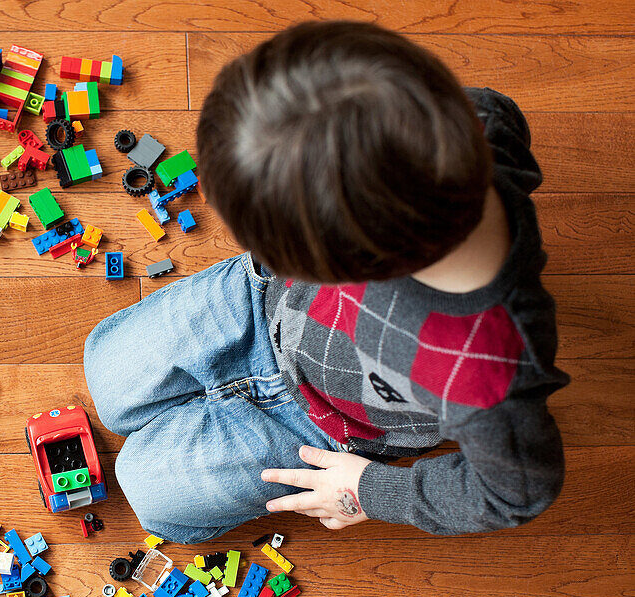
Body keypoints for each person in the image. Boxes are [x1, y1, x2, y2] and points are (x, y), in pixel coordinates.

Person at [83, 20, 569, 543]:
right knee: (105, 373)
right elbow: (503, 114)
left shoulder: (486, 374)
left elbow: (516, 491)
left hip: (328, 425)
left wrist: (372, 490)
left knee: (147, 491)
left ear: (346, 267)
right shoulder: (472, 122)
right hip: (263, 305)